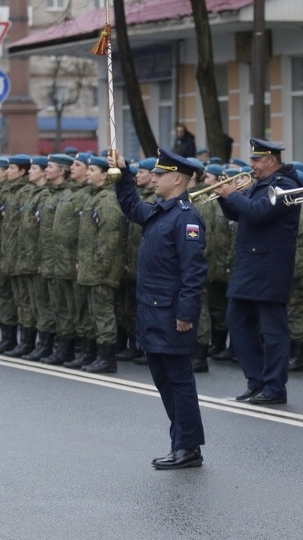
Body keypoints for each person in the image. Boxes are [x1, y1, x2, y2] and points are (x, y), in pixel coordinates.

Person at [112, 148, 208, 469]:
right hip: (153, 312)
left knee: (179, 382)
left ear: (177, 178)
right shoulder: (160, 212)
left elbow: (193, 273)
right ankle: (181, 443)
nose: (152, 178)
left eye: (159, 174)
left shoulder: (186, 218)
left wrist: (185, 314)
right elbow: (130, 206)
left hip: (171, 315)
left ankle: (188, 447)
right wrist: (124, 173)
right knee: (165, 382)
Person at [214, 139, 302, 405]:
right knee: (237, 320)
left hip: (270, 267)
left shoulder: (285, 186)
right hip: (249, 266)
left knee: (273, 330)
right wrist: (224, 197)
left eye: (256, 160)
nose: (251, 165)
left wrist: (233, 194)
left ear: (272, 161)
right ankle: (256, 381)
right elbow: (242, 214)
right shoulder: (260, 184)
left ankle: (274, 387)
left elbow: (260, 213)